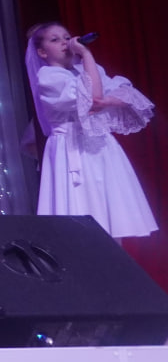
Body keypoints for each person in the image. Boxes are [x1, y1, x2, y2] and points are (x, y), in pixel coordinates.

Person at [25, 23, 156, 238]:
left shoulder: (86, 70)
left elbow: (124, 93)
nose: (65, 42)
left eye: (66, 37)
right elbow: (93, 96)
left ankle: (114, 256)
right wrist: (86, 54)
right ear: (42, 52)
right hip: (71, 148)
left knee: (111, 210)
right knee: (80, 209)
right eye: (55, 40)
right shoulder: (49, 77)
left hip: (99, 145)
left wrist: (108, 100)